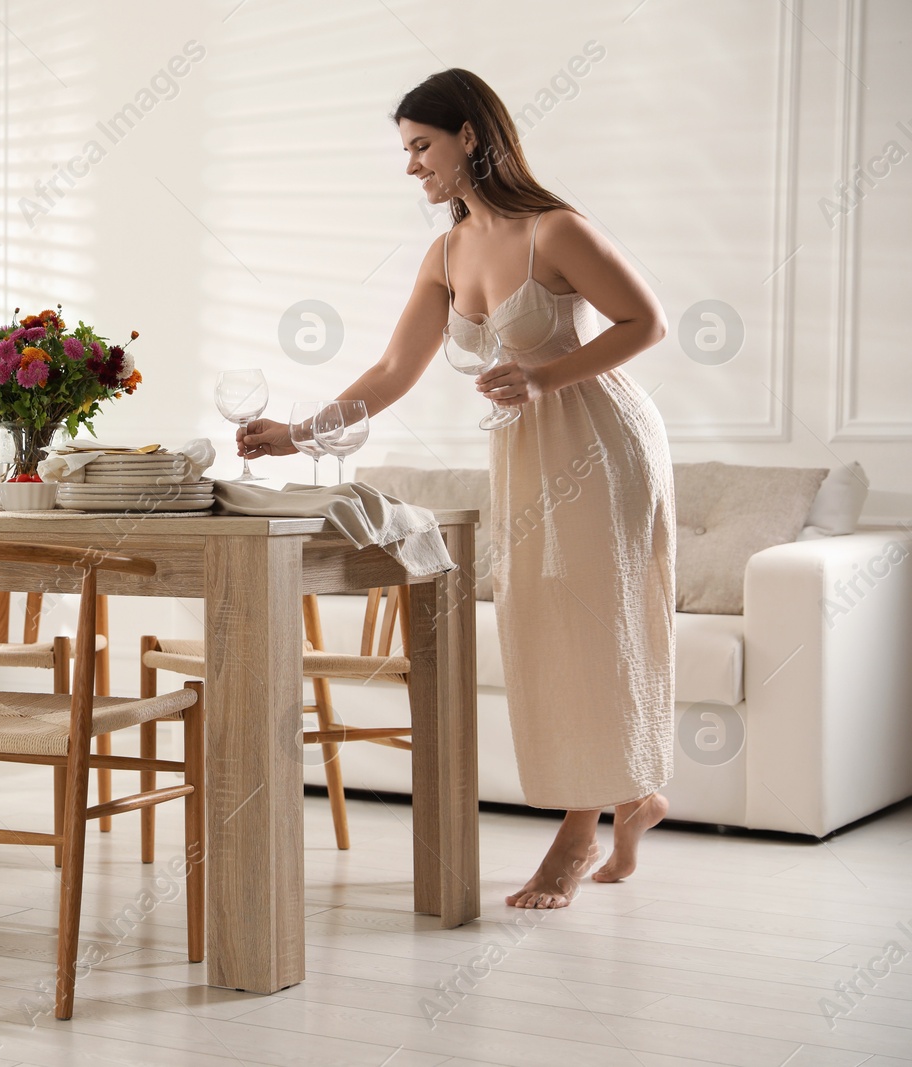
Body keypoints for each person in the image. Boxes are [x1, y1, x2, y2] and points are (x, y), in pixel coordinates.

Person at [238, 68, 675, 910]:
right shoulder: (445, 252)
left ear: (469, 136)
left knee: (596, 616)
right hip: (527, 452)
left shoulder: (556, 231)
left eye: (420, 146)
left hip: (601, 442)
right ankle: (637, 795)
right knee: (546, 621)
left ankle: (577, 837)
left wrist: (546, 377)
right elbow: (394, 369)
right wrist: (296, 434)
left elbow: (645, 322)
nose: (411, 166)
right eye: (406, 150)